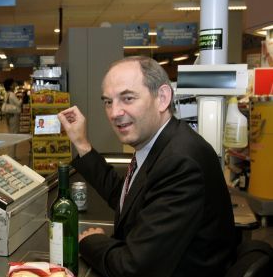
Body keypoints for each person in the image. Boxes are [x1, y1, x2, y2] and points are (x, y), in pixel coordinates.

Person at [58, 56, 235, 277]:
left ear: (162, 98)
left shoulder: (180, 162)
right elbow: (127, 197)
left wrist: (90, 241)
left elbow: (134, 268)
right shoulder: (162, 143)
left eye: (128, 98)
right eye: (108, 102)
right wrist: (82, 144)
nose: (114, 113)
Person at [3, 78, 22, 157]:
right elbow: (18, 103)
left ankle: (12, 154)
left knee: (11, 133)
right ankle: (11, 155)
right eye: (13, 84)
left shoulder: (6, 94)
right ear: (10, 85)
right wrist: (21, 98)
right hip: (14, 116)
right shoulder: (12, 94)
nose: (15, 85)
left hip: (9, 116)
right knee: (14, 135)